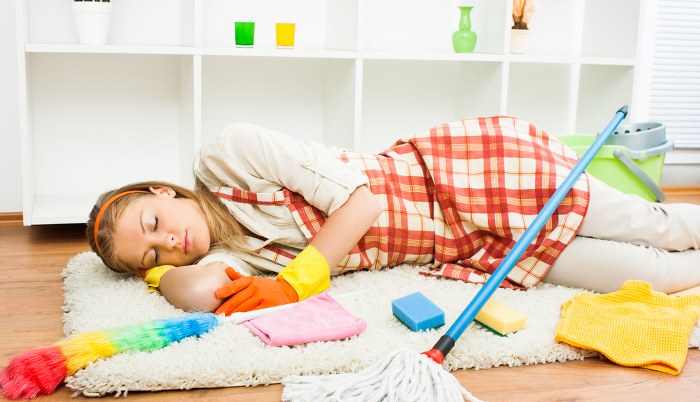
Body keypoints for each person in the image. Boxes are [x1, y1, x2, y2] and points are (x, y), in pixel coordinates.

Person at [86, 117, 700, 315]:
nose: (171, 241)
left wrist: (296, 282)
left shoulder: (228, 157)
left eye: (153, 224)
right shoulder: (229, 257)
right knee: (662, 279)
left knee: (660, 227)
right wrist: (158, 275)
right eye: (154, 251)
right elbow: (198, 293)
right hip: (461, 243)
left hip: (470, 174)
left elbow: (363, 201)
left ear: (162, 191)